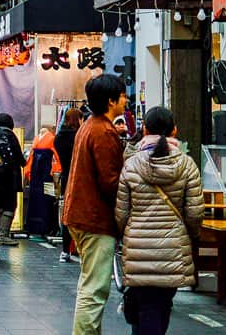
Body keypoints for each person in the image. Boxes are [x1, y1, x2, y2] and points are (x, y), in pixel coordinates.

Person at [115, 106, 204, 335]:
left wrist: (125, 235)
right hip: (172, 248)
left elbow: (122, 213)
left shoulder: (132, 164)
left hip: (137, 248)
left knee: (145, 305)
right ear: (174, 130)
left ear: (144, 130)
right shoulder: (187, 165)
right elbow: (194, 213)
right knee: (161, 305)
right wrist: (191, 236)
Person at [63, 73, 126, 335]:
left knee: (89, 283)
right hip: (94, 218)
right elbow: (110, 182)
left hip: (80, 214)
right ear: (111, 100)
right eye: (122, 96)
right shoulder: (103, 131)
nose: (125, 100)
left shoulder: (89, 125)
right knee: (95, 288)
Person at [23, 126, 63, 236]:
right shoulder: (47, 138)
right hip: (44, 173)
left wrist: (28, 171)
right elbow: (56, 158)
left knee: (43, 199)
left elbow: (32, 156)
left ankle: (40, 227)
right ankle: (43, 227)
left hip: (41, 173)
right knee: (44, 199)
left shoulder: (44, 139)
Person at [54, 108, 82, 262]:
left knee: (67, 215)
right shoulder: (79, 137)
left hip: (66, 178)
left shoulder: (58, 137)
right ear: (78, 119)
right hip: (79, 179)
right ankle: (79, 249)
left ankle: (65, 250)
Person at [0, 113, 24, 246]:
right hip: (11, 177)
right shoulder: (11, 136)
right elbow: (19, 157)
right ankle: (3, 235)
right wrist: (24, 161)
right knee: (10, 205)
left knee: (0, 205)